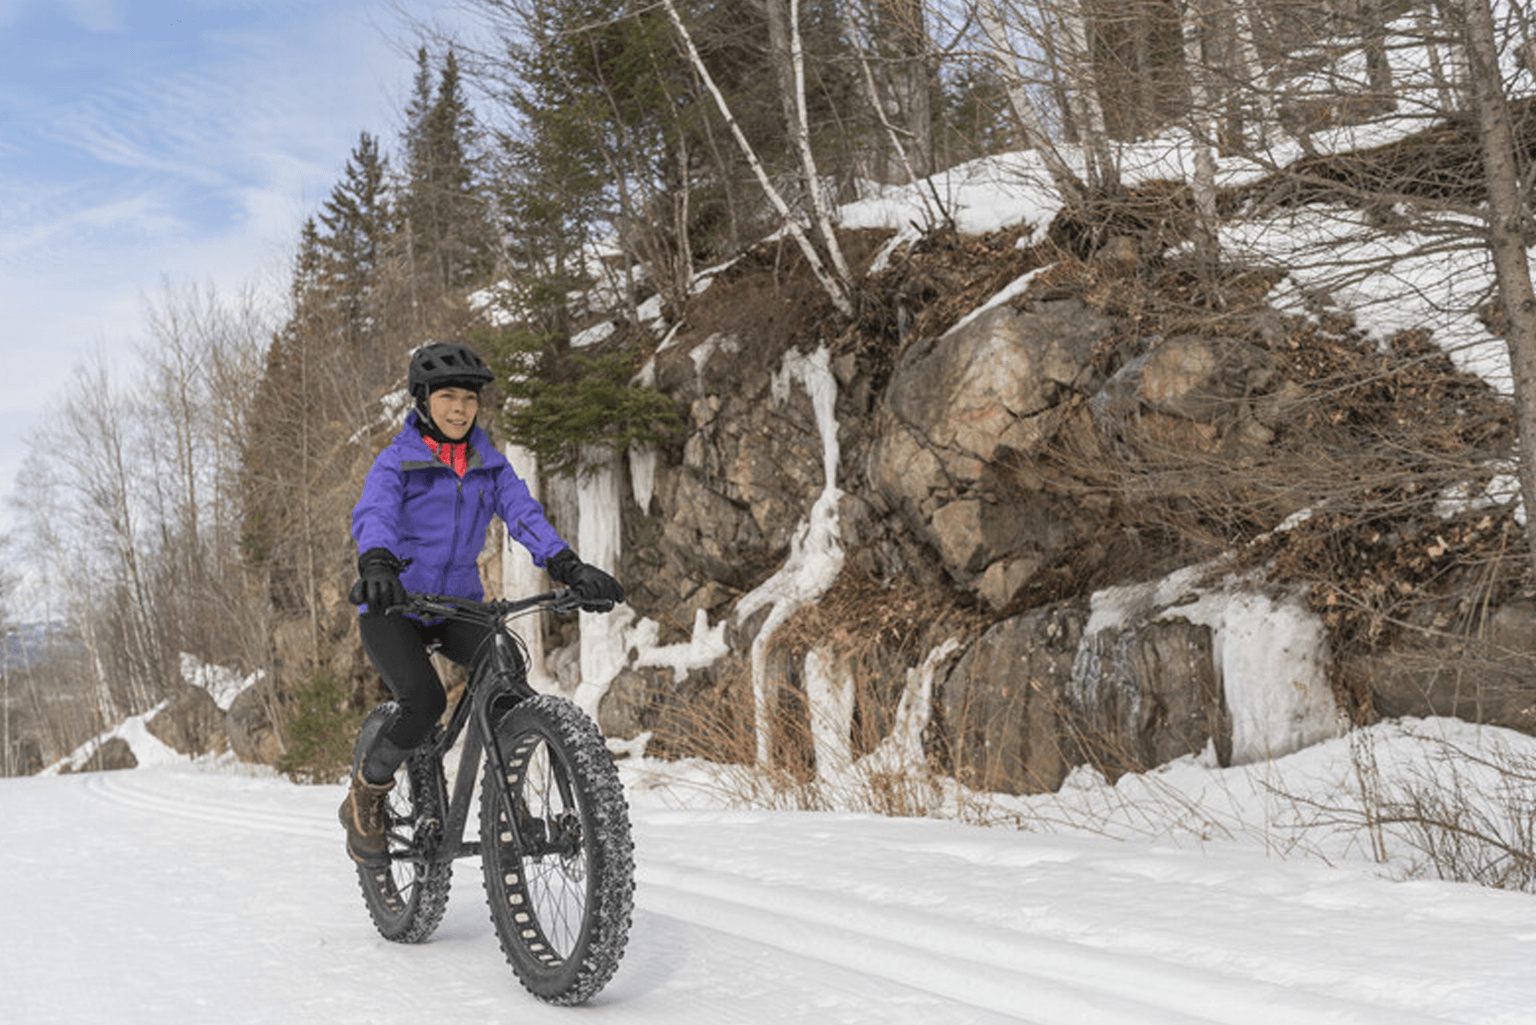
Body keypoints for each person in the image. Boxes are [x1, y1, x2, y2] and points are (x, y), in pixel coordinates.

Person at [339, 340, 625, 865]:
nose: (460, 409)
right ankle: (367, 793)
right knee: (424, 702)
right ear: (423, 401)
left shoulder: (489, 466)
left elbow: (524, 516)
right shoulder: (396, 462)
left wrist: (569, 566)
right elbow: (375, 514)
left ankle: (506, 798)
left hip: (457, 605)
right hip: (395, 604)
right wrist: (377, 565)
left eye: (469, 399)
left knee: (505, 667)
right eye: (448, 397)